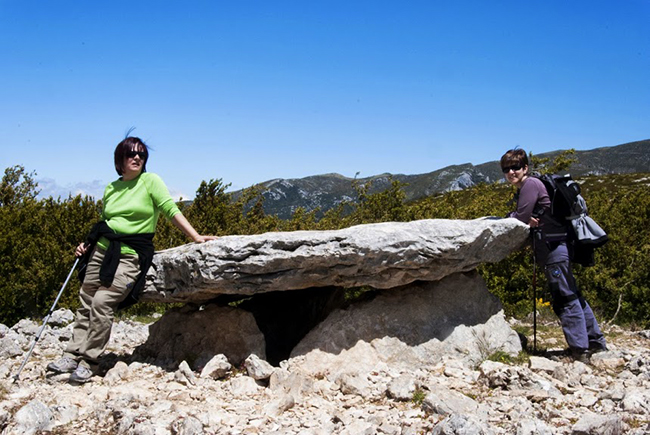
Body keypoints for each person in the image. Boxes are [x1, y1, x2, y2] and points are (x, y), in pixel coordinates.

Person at [47, 136, 217, 383]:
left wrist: (195, 236)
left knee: (103, 302)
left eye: (141, 154)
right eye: (131, 154)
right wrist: (86, 244)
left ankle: (90, 361)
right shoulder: (111, 188)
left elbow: (170, 209)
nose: (137, 158)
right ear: (120, 160)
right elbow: (107, 223)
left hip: (130, 254)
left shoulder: (150, 181)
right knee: (86, 301)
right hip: (101, 251)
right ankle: (72, 355)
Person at [501, 148, 607, 363]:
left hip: (553, 249)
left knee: (565, 298)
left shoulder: (530, 184)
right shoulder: (535, 183)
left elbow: (520, 217)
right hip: (560, 245)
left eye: (515, 167)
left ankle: (580, 350)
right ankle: (595, 342)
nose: (511, 172)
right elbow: (529, 215)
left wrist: (514, 216)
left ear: (525, 168)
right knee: (573, 293)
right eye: (506, 169)